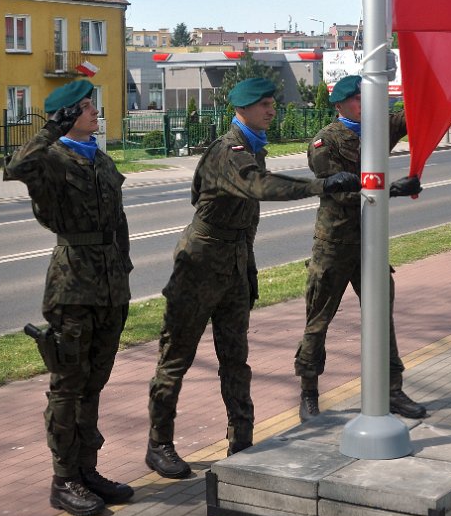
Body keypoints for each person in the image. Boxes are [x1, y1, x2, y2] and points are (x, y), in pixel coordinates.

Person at [146, 77, 361, 479]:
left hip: (232, 267)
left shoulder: (253, 149)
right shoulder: (231, 151)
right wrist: (321, 183)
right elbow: (259, 187)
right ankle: (159, 444)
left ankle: (241, 441)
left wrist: (246, 271)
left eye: (272, 103)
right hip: (199, 267)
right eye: (264, 104)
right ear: (242, 108)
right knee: (176, 358)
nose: (271, 110)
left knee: (235, 359)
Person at [3, 79, 134, 516]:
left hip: (110, 285)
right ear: (65, 116)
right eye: (85, 107)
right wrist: (48, 131)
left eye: (92, 105)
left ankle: (87, 470)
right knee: (67, 386)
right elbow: (15, 166)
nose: (95, 112)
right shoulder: (52, 159)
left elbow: (119, 221)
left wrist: (125, 270)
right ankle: (63, 480)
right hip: (73, 283)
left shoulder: (100, 158)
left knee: (93, 385)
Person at [294, 74, 427, 422]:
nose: (365, 104)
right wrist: (391, 191)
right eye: (357, 99)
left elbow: (417, 113)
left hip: (371, 241)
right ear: (340, 105)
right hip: (335, 244)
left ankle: (392, 389)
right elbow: (340, 192)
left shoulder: (379, 126)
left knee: (383, 316)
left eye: (367, 97)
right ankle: (308, 393)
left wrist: (430, 84)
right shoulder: (326, 141)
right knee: (319, 319)